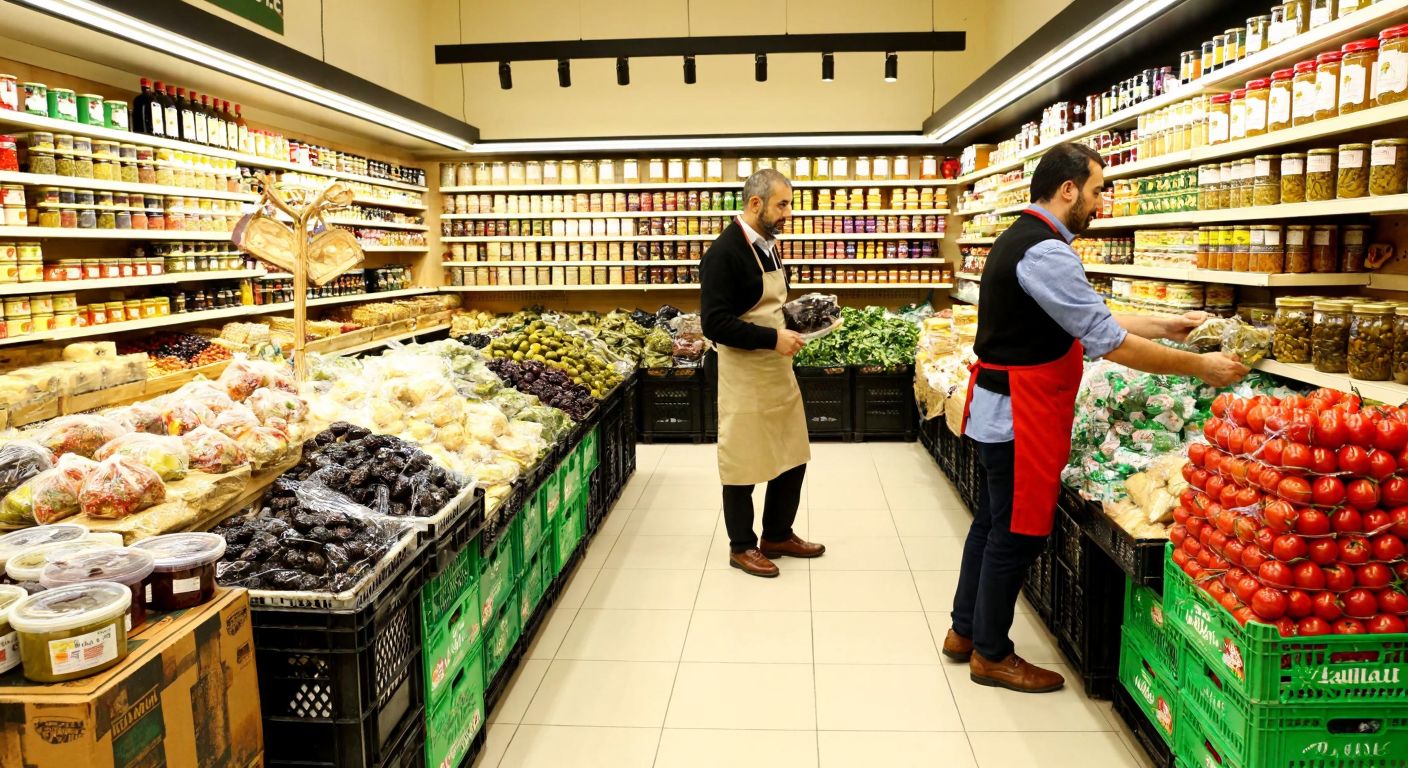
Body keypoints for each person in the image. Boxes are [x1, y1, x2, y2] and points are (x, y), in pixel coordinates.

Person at [945, 142, 1249, 693]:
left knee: (991, 524)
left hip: (1001, 409)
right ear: (1068, 190)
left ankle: (964, 631)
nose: (1100, 201)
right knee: (1014, 533)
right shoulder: (1047, 252)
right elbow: (1109, 342)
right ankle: (991, 653)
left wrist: (1165, 325)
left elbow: (1088, 314)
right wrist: (1199, 367)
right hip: (1022, 417)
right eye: (1096, 189)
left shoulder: (1024, 239)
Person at [699, 168, 826, 578]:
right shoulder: (724, 253)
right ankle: (742, 545)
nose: (788, 212)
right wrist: (773, 340)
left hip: (776, 369)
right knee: (744, 459)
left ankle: (777, 533)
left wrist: (802, 319)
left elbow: (766, 306)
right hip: (745, 372)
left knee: (791, 451)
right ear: (756, 204)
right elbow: (714, 324)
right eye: (782, 204)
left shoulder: (768, 245)